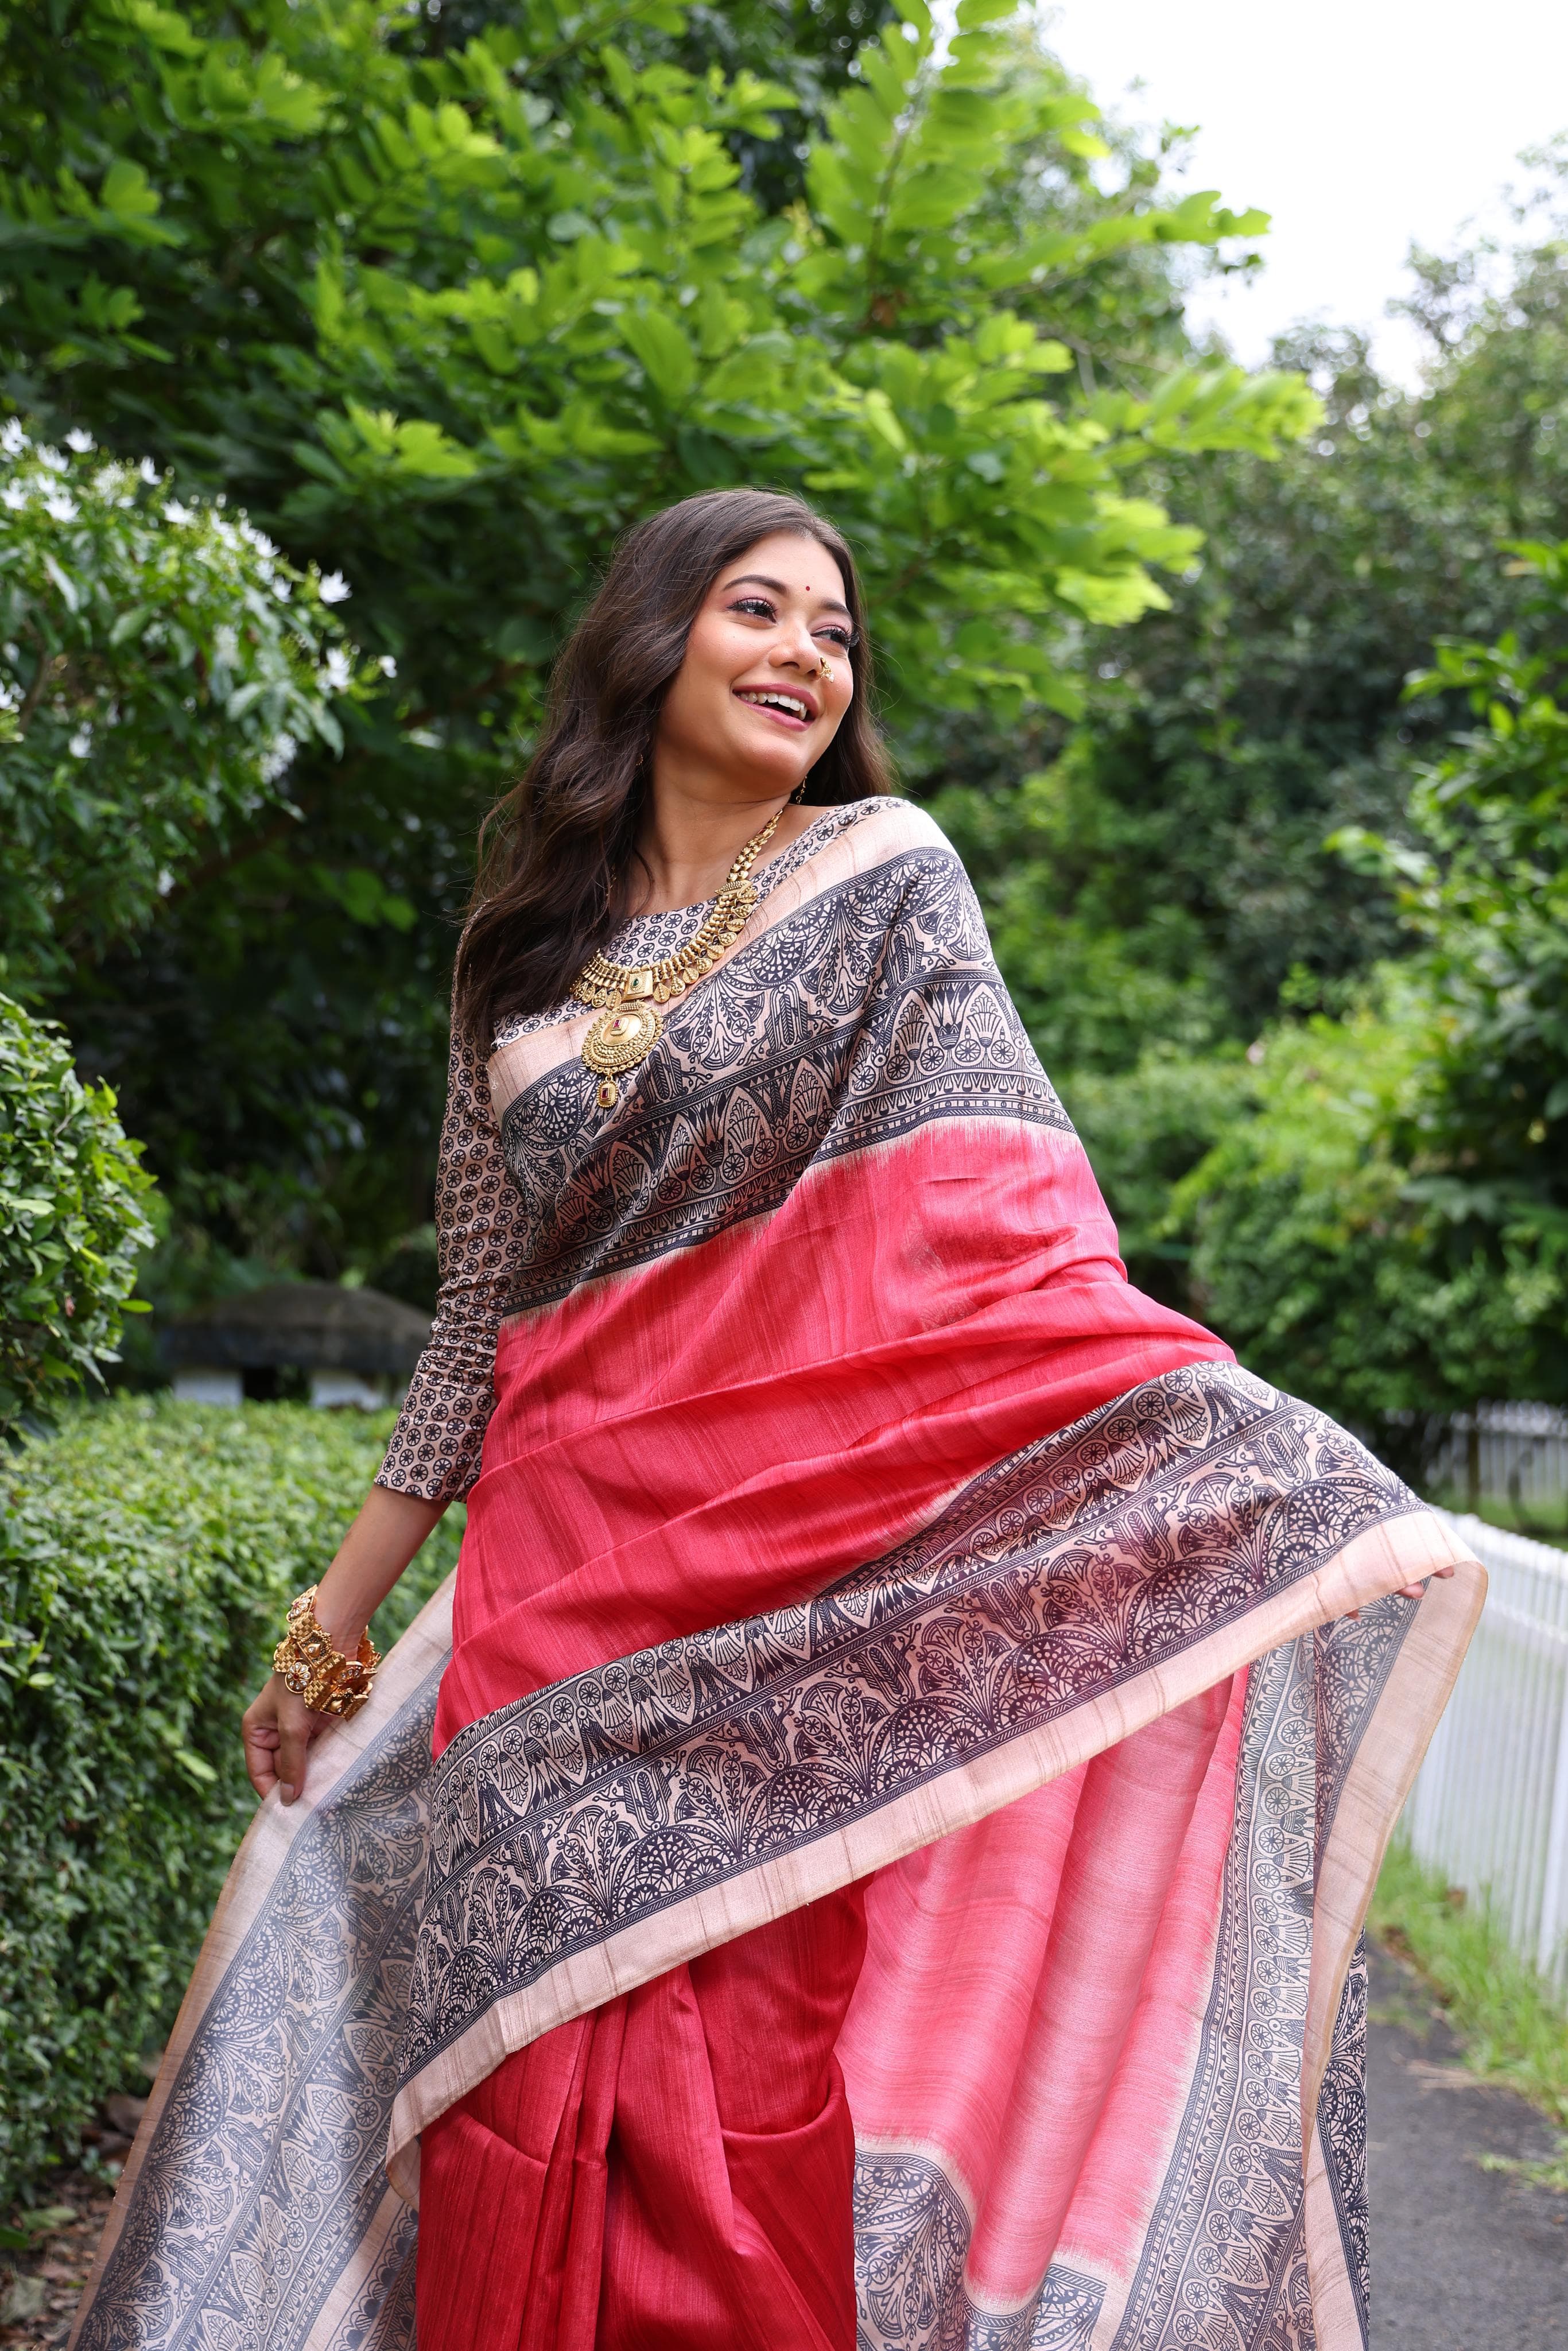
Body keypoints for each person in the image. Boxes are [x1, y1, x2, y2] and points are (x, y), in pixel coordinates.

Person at [76, 490, 1480, 2351]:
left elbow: (998, 1222)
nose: (806, 654)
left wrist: (1210, 1446)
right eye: (760, 609)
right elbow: (478, 1331)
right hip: (544, 1608)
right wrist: (330, 1632)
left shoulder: (887, 877)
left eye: (836, 632)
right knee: (514, 2086)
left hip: (778, 1614)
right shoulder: (513, 967)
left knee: (733, 2099)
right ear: (652, 640)